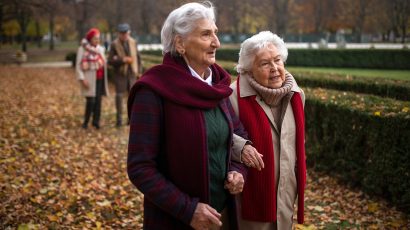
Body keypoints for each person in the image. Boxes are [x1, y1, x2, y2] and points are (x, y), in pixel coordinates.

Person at [127, 2, 251, 229]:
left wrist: (237, 171)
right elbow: (140, 167)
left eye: (215, 33)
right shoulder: (153, 91)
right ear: (180, 43)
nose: (217, 42)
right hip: (174, 220)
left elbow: (237, 135)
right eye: (206, 34)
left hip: (223, 216)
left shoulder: (217, 87)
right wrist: (188, 209)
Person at [229, 31, 306, 229]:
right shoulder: (231, 97)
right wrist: (240, 147)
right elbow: (217, 137)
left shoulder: (297, 96)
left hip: (286, 196)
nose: (274, 68)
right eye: (264, 63)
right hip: (250, 198)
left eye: (277, 60)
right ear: (248, 69)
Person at [108, 23, 141, 127]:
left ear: (129, 33)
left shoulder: (133, 42)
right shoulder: (114, 44)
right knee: (119, 97)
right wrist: (123, 60)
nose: (124, 36)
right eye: (122, 34)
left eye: (126, 33)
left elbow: (138, 58)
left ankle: (130, 119)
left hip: (132, 73)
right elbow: (110, 61)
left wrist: (139, 72)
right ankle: (119, 120)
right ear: (119, 34)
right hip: (120, 74)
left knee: (132, 97)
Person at [75, 28, 109, 129]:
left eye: (98, 39)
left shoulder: (100, 49)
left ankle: (96, 122)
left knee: (98, 101)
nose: (97, 41)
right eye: (95, 38)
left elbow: (104, 61)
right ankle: (85, 122)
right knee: (91, 101)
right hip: (89, 79)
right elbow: (78, 65)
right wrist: (82, 79)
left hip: (100, 78)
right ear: (90, 39)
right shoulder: (82, 49)